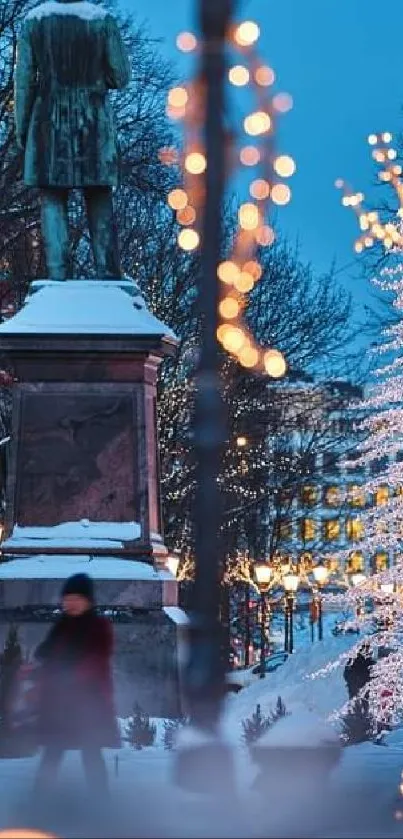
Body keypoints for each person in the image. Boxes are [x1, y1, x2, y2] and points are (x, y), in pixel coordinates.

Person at [14, 0, 130, 279]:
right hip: (93, 119)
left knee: (52, 194)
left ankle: (58, 275)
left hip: (47, 119)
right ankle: (109, 272)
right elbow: (121, 76)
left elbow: (24, 80)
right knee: (99, 194)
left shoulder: (34, 22)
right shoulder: (103, 20)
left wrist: (23, 126)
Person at [34, 573, 119, 798]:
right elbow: (47, 653)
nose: (70, 603)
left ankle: (101, 801)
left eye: (76, 598)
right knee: (53, 752)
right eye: (67, 598)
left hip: (89, 703)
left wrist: (70, 675)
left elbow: (97, 659)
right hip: (60, 704)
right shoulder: (61, 626)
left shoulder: (98, 627)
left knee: (91, 753)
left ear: (88, 601)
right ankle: (39, 799)